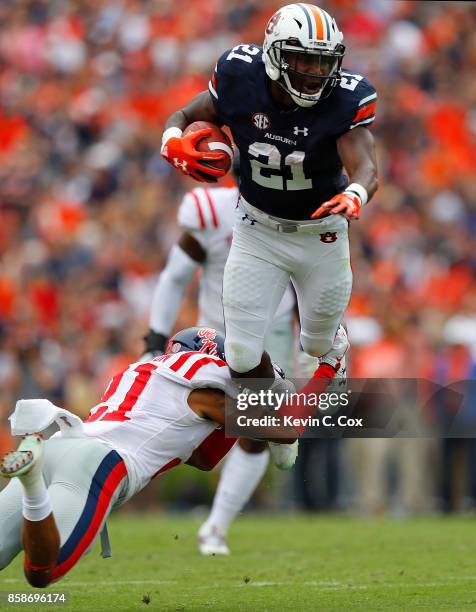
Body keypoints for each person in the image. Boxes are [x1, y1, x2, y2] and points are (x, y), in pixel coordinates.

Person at [1, 326, 345, 588]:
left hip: (60, 444)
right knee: (42, 571)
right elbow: (286, 430)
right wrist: (326, 369)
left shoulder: (140, 371)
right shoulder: (207, 386)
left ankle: (33, 474)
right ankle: (32, 486)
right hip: (96, 463)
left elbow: (203, 458)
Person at [160, 3, 378, 397]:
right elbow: (185, 114)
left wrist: (354, 192)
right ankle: (277, 401)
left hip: (320, 233)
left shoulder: (346, 99)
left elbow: (366, 167)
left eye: (322, 63)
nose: (314, 73)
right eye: (303, 60)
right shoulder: (239, 75)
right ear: (274, 55)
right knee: (241, 355)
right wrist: (172, 140)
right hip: (256, 228)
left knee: (315, 343)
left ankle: (335, 349)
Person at [144, 158, 295, 556]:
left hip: (271, 338)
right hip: (215, 340)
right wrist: (154, 339)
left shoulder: (300, 211)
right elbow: (174, 276)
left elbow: (312, 280)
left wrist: (316, 343)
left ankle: (215, 526)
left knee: (257, 437)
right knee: (187, 428)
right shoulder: (212, 213)